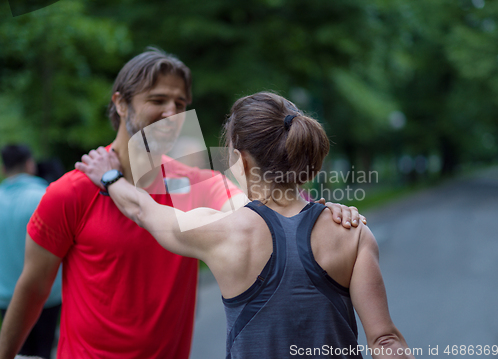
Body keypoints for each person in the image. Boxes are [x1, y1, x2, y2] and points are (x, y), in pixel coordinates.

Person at [0, 49, 363, 359]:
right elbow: (33, 289)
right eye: (157, 100)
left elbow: (277, 206)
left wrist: (325, 212)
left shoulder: (200, 183)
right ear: (121, 103)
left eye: (180, 103)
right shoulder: (72, 192)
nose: (172, 111)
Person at [76, 92, 415, 359]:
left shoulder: (221, 232)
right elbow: (385, 340)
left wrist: (108, 176)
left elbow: (142, 210)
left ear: (242, 160)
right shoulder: (351, 232)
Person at [0, 144, 62, 359]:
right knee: (44, 352)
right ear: (29, 164)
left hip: (7, 297)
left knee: (15, 352)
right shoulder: (46, 196)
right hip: (48, 297)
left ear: (4, 169)